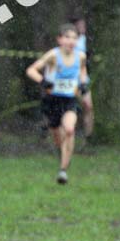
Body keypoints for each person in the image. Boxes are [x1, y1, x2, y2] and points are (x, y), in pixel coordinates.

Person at [25, 24, 88, 184]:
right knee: (58, 138)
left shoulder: (80, 56)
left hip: (70, 101)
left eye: (74, 38)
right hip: (52, 101)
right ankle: (63, 153)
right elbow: (31, 70)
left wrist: (82, 83)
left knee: (69, 129)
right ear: (59, 39)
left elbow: (82, 72)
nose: (71, 41)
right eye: (67, 37)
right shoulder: (53, 55)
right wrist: (44, 81)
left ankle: (63, 170)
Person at [71, 16, 94, 138]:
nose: (82, 28)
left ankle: (89, 136)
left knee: (88, 106)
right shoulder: (69, 41)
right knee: (71, 107)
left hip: (83, 78)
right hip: (70, 79)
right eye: (80, 25)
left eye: (83, 25)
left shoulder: (87, 40)